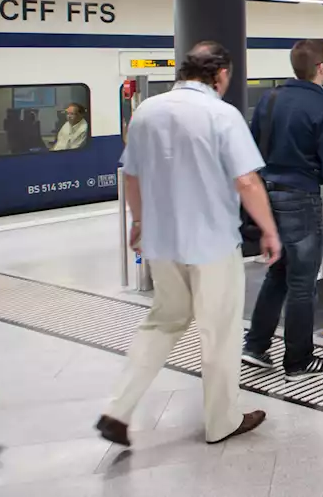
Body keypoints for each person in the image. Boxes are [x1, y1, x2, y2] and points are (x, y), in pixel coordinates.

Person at [96, 41, 279, 447]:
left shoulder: (147, 111)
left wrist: (139, 221)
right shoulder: (221, 114)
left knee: (163, 322)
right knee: (219, 332)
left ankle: (117, 409)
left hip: (162, 242)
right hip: (212, 243)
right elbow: (247, 181)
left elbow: (131, 176)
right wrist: (268, 229)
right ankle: (222, 420)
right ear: (221, 75)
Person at [242, 39, 323, 380]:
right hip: (300, 198)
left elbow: (250, 148)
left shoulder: (270, 99)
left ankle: (256, 346)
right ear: (321, 68)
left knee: (278, 273)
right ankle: (298, 360)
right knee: (303, 283)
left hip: (266, 195)